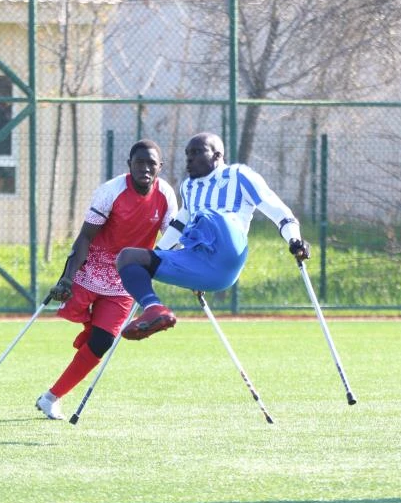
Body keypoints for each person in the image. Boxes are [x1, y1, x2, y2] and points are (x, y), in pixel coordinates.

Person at [115, 131, 311, 340]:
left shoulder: (239, 175)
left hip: (229, 253)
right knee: (128, 257)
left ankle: (195, 247)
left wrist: (294, 239)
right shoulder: (188, 187)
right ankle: (154, 309)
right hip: (200, 262)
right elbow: (178, 225)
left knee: (207, 215)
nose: (189, 158)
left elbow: (278, 211)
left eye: (197, 152)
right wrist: (154, 259)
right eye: (187, 153)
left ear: (217, 156)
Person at [35, 139, 178, 420]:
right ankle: (87, 322)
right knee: (87, 328)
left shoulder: (166, 196)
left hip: (126, 279)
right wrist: (67, 278)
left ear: (160, 167)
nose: (145, 168)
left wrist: (188, 273)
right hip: (91, 271)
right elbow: (85, 236)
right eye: (140, 162)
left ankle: (51, 398)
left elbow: (170, 242)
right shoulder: (111, 191)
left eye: (152, 163)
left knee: (102, 342)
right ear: (129, 165)